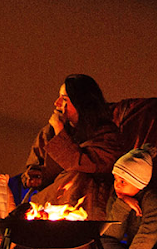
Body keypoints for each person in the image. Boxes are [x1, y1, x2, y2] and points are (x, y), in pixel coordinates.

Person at [21, 74, 130, 217]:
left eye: (64, 99)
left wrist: (60, 131)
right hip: (48, 204)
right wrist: (32, 177)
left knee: (77, 176)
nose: (57, 103)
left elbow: (78, 163)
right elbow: (33, 167)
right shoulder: (48, 132)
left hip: (88, 207)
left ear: (81, 103)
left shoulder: (107, 136)